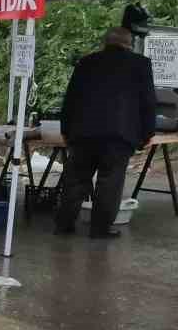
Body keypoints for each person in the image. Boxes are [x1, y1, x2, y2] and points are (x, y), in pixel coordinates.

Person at [54, 27, 157, 239]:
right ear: (129, 44)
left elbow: (71, 98)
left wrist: (65, 129)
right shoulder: (140, 64)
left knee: (75, 180)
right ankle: (100, 229)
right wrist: (148, 133)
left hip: (83, 133)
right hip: (118, 135)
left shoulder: (86, 62)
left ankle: (64, 224)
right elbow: (148, 102)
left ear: (105, 43)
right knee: (110, 182)